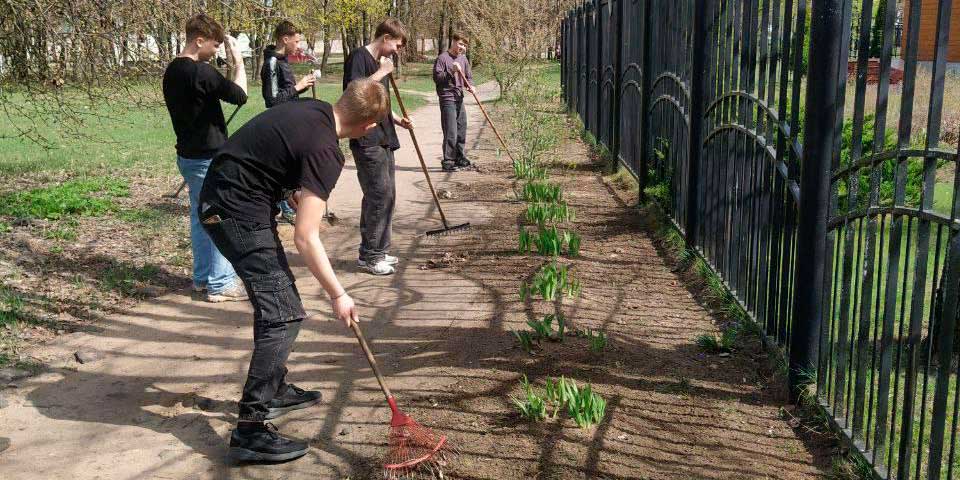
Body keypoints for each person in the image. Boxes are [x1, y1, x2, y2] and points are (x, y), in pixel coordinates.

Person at [198, 78, 389, 462]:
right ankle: (250, 430)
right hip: (233, 213)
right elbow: (305, 238)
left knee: (278, 305)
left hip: (227, 199)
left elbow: (271, 156)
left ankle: (275, 388)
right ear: (368, 127)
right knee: (283, 313)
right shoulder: (326, 151)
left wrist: (291, 191)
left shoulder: (313, 111)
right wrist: (339, 293)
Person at [162, 13, 248, 303]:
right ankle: (220, 282)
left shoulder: (172, 70)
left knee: (201, 218)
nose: (216, 51)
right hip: (208, 158)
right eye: (214, 45)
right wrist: (238, 61)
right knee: (218, 216)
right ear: (199, 41)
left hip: (187, 156)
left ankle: (202, 278)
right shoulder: (202, 72)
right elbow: (240, 95)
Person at [342, 18, 412, 276]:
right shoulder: (358, 58)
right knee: (378, 196)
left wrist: (397, 119)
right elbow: (355, 94)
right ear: (385, 38)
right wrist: (382, 73)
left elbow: (378, 101)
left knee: (388, 195)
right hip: (367, 139)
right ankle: (371, 256)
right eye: (397, 44)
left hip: (385, 136)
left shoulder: (378, 63)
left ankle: (378, 250)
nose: (397, 50)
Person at [260, 20, 317, 225]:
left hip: (290, 122)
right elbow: (272, 100)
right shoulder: (272, 63)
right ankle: (285, 208)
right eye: (296, 40)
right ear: (285, 39)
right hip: (280, 126)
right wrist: (298, 86)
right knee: (283, 170)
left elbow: (286, 93)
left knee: (291, 168)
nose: (298, 45)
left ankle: (288, 207)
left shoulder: (282, 60)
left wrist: (302, 87)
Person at [433, 33, 475, 172]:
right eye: (460, 44)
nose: (462, 47)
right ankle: (448, 160)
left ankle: (459, 157)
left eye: (464, 45)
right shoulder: (442, 58)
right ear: (453, 42)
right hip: (447, 97)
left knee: (461, 128)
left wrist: (471, 85)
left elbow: (468, 77)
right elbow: (437, 78)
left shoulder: (463, 59)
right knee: (451, 130)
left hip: (459, 97)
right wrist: (452, 70)